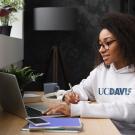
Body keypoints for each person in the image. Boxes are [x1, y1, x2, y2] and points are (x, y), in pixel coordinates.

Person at [45, 12, 135, 134]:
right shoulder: (101, 70)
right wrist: (72, 94)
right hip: (102, 129)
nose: (101, 50)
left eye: (108, 43)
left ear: (126, 41)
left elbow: (128, 109)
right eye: (100, 45)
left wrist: (76, 109)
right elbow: (83, 88)